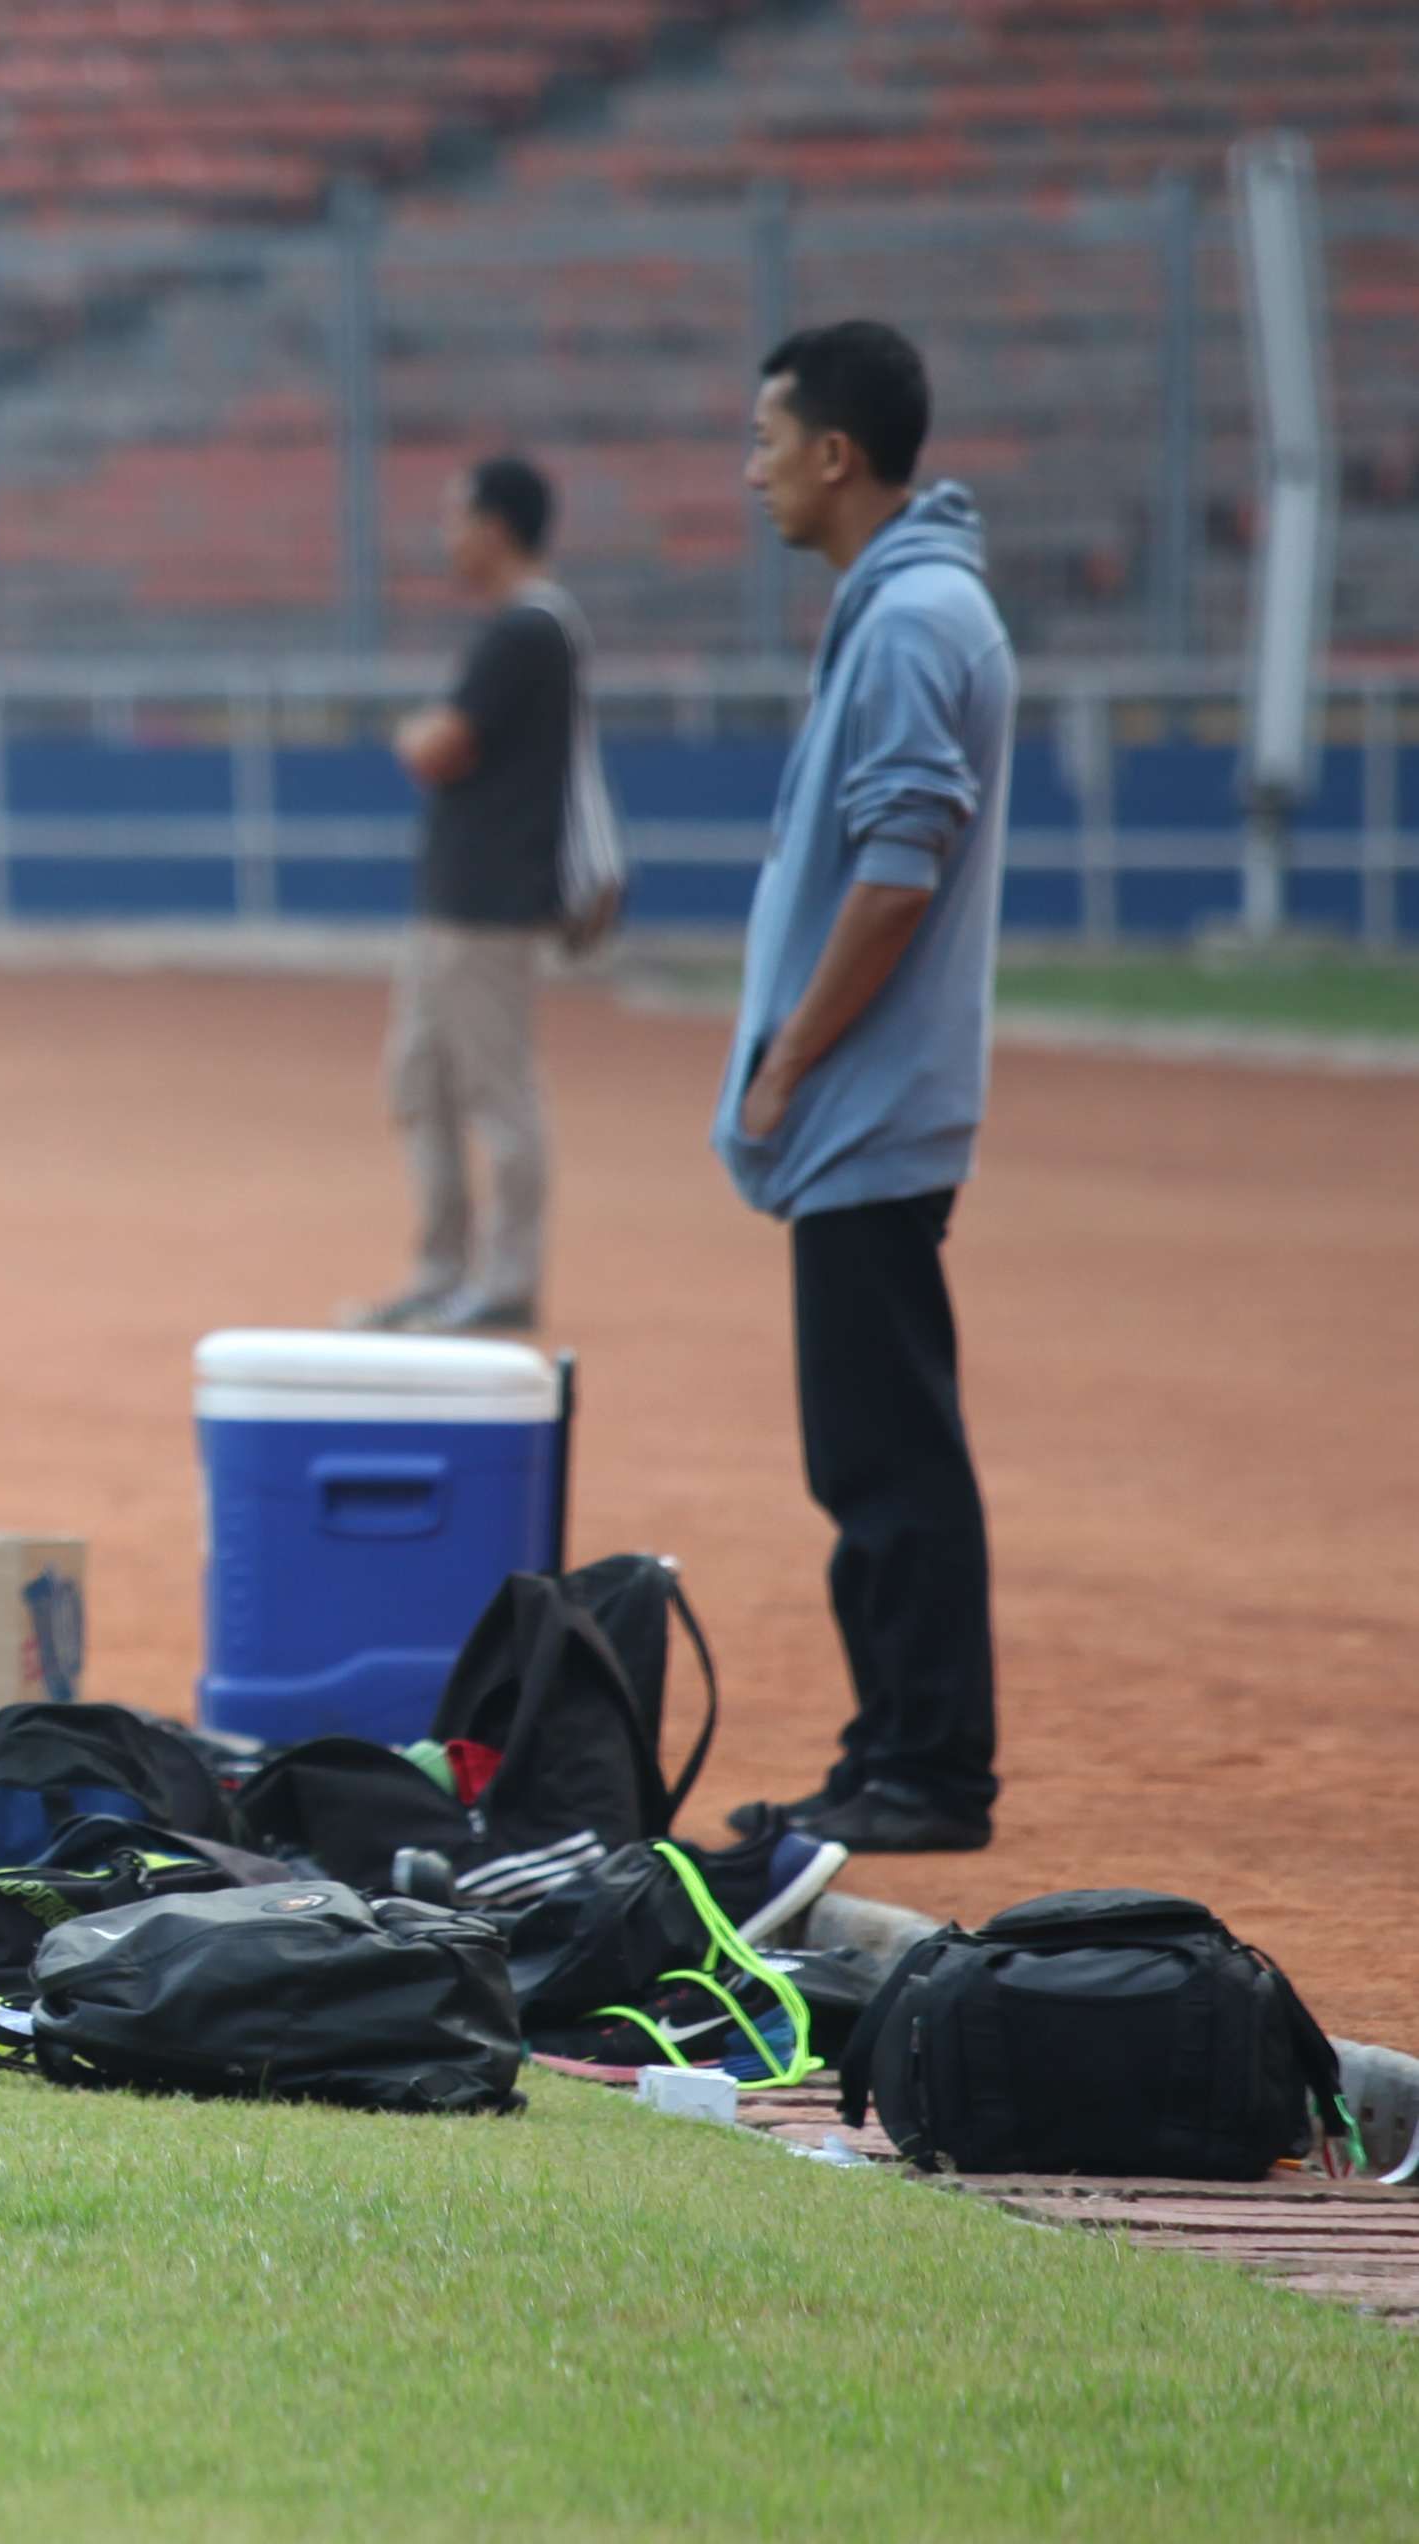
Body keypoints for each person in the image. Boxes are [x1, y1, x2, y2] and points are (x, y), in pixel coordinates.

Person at [713, 319, 1014, 1862]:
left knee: (884, 1450)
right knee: (879, 1444)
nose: (751, 468)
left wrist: (786, 1058)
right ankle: (891, 1745)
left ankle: (925, 1766)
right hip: (874, 1101)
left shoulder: (908, 622)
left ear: (834, 453)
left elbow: (897, 871)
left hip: (866, 1102)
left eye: (766, 440)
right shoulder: (903, 606)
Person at [347, 453, 610, 1336]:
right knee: (420, 1079)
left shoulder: (526, 631)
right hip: (462, 898)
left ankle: (503, 1278)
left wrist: (415, 730)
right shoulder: (532, 628)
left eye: (459, 519)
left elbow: (442, 745)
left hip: (489, 902)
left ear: (496, 528)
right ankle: (442, 1269)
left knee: (497, 1093)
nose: (449, 537)